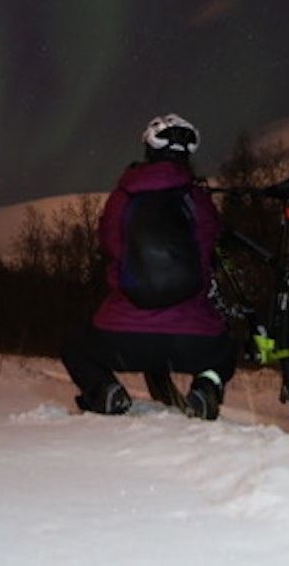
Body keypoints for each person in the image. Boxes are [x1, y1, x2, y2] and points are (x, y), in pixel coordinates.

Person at [61, 113, 236, 419]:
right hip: (194, 340)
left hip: (122, 337)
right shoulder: (197, 199)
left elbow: (111, 245)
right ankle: (206, 387)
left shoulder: (121, 197)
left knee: (73, 345)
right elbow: (208, 245)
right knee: (227, 348)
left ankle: (104, 390)